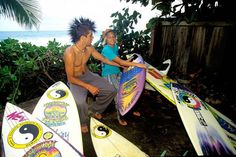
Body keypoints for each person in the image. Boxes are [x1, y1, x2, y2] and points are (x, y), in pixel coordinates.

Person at [63, 18, 121, 133]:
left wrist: (121, 64)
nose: (93, 38)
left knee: (111, 90)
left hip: (88, 75)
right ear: (83, 37)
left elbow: (104, 59)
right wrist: (89, 87)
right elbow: (70, 78)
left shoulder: (89, 48)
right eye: (91, 36)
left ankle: (94, 110)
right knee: (80, 102)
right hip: (76, 80)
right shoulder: (70, 53)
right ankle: (83, 121)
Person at [101, 29, 146, 126]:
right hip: (109, 74)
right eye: (109, 37)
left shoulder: (115, 46)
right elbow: (121, 62)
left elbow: (118, 61)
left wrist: (125, 66)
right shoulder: (106, 49)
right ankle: (120, 117)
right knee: (119, 95)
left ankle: (130, 108)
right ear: (106, 39)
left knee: (129, 89)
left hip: (117, 71)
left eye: (113, 36)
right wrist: (137, 65)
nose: (112, 38)